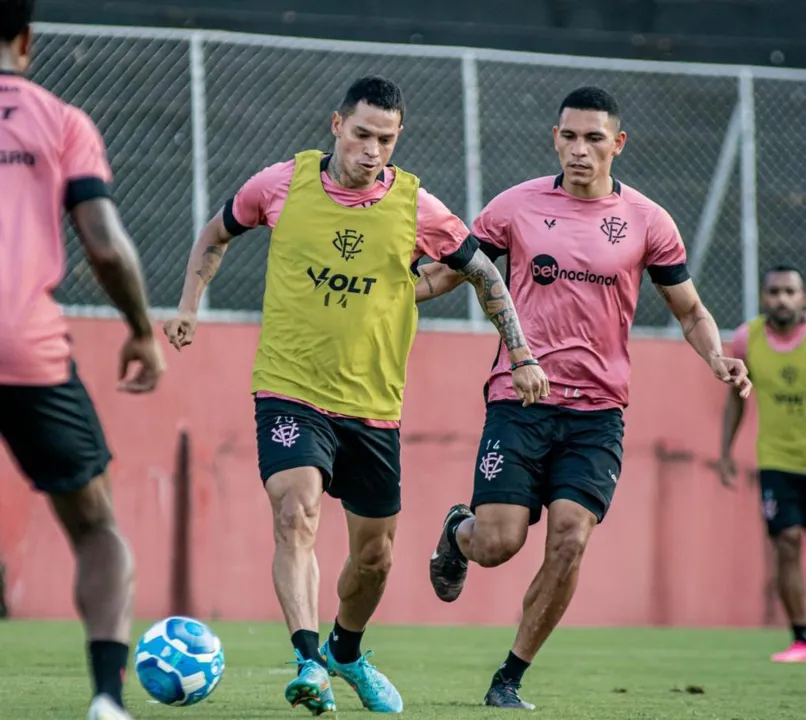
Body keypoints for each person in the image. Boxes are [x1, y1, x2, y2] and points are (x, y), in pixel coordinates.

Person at [163, 75, 548, 714]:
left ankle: (346, 649)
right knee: (296, 512)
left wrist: (522, 353)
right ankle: (308, 660)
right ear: (336, 124)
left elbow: (481, 271)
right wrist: (187, 306)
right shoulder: (281, 184)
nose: (372, 150)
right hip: (289, 389)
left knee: (374, 557)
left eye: (386, 139)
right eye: (363, 134)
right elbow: (216, 233)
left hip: (373, 407)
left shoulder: (418, 208)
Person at [417, 86, 753, 709]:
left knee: (571, 537)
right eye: (569, 136)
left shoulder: (649, 222)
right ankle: (458, 532)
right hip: (519, 401)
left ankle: (509, 678)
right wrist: (381, 292)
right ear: (555, 139)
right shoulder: (515, 207)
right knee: (498, 544)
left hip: (598, 414)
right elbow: (450, 273)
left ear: (617, 144)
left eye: (594, 138)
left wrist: (717, 356)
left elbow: (690, 309)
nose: (580, 149)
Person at [0, 2, 165, 719]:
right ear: (26, 39)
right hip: (26, 347)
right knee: (95, 526)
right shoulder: (62, 119)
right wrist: (141, 328)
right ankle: (105, 698)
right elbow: (103, 241)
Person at [720, 265, 806, 662]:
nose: (782, 299)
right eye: (775, 292)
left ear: (802, 297)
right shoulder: (746, 339)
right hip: (777, 460)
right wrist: (725, 453)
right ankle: (802, 639)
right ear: (763, 297)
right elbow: (736, 398)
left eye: (790, 291)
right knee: (786, 544)